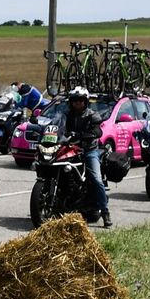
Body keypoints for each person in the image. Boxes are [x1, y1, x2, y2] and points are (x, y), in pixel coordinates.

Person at [61, 87, 112, 228]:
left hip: (89, 150)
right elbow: (57, 126)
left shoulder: (92, 115)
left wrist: (86, 134)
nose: (77, 103)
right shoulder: (66, 115)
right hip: (70, 149)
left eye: (80, 101)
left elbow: (98, 131)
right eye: (74, 101)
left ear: (85, 102)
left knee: (96, 179)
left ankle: (105, 211)